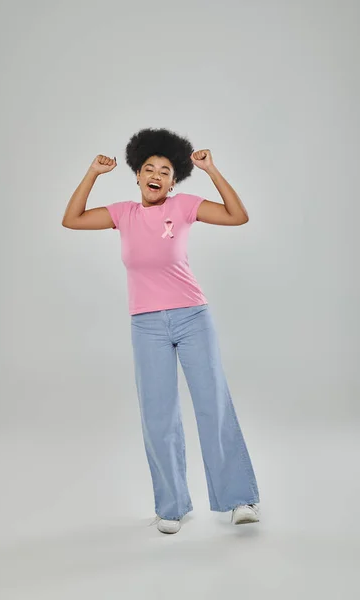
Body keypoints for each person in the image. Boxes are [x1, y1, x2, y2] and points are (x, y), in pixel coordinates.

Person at [62, 127, 260, 534]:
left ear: (174, 181)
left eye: (165, 170)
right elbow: (72, 219)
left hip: (192, 317)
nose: (156, 174)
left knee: (212, 405)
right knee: (158, 416)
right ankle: (171, 506)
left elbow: (238, 216)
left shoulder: (185, 205)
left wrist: (211, 169)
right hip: (146, 323)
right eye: (148, 168)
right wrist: (92, 174)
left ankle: (239, 498)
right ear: (137, 174)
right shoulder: (122, 214)